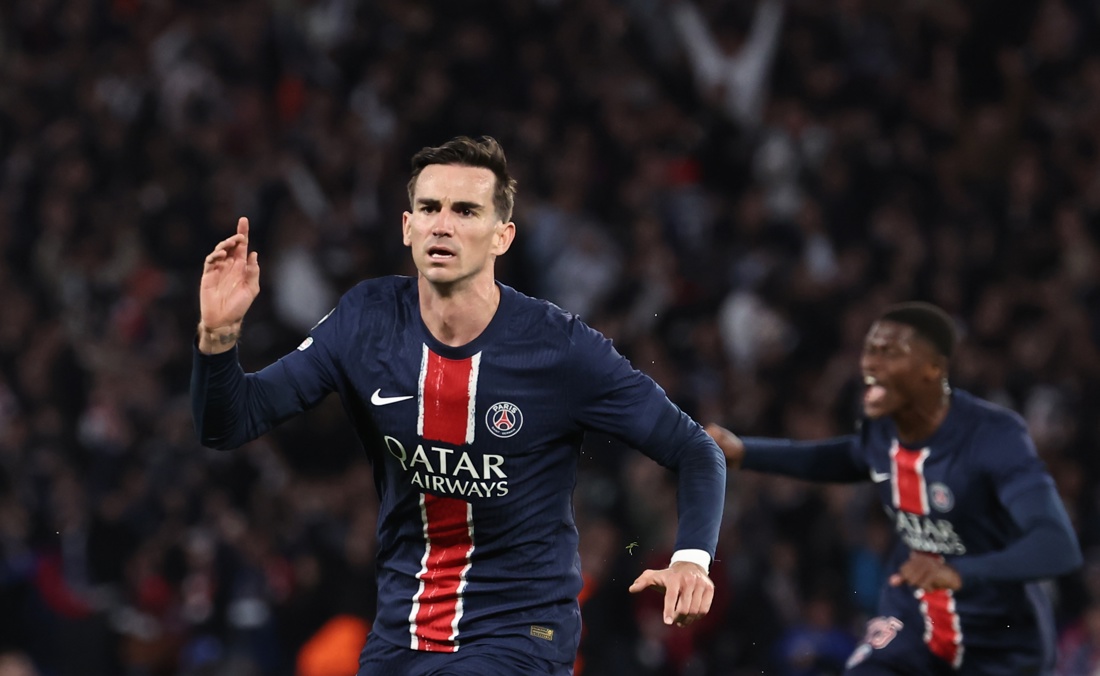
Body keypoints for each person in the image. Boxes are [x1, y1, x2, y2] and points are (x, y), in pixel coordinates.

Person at [191, 136, 726, 675]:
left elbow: (695, 449)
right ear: (408, 227)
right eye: (429, 208)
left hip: (521, 636)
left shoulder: (559, 348)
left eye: (465, 211)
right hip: (402, 634)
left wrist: (691, 559)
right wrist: (218, 335)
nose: (442, 225)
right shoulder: (366, 321)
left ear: (502, 236)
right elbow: (231, 423)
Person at [706, 302, 1082, 675]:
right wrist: (747, 452)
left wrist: (960, 571)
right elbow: (846, 457)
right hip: (915, 620)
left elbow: (1057, 546)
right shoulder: (883, 430)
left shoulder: (992, 438)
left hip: (999, 637)